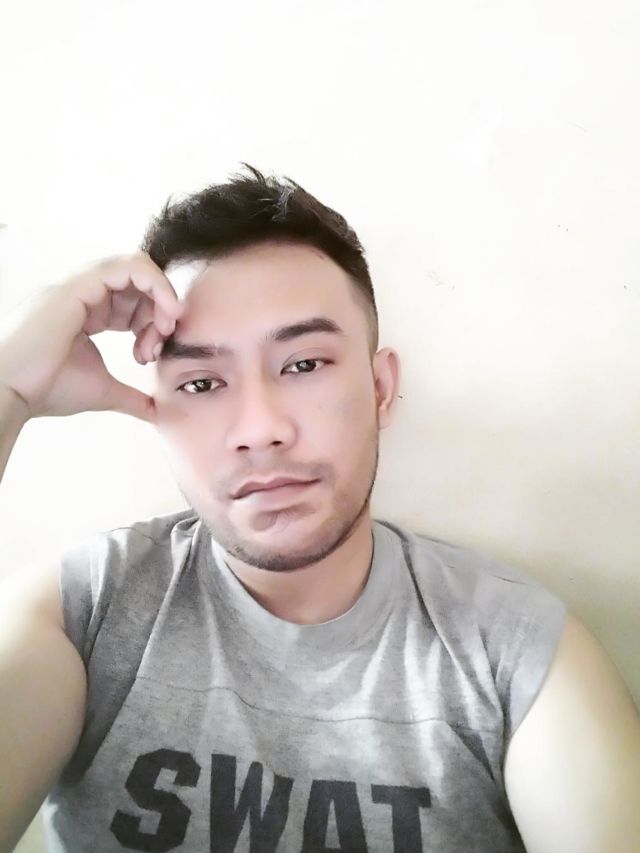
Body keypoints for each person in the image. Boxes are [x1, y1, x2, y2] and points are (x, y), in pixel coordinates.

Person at [0, 164, 638, 853]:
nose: (259, 429)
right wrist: (9, 389)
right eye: (203, 382)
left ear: (381, 389)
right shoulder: (81, 612)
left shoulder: (516, 655)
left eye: (303, 364)